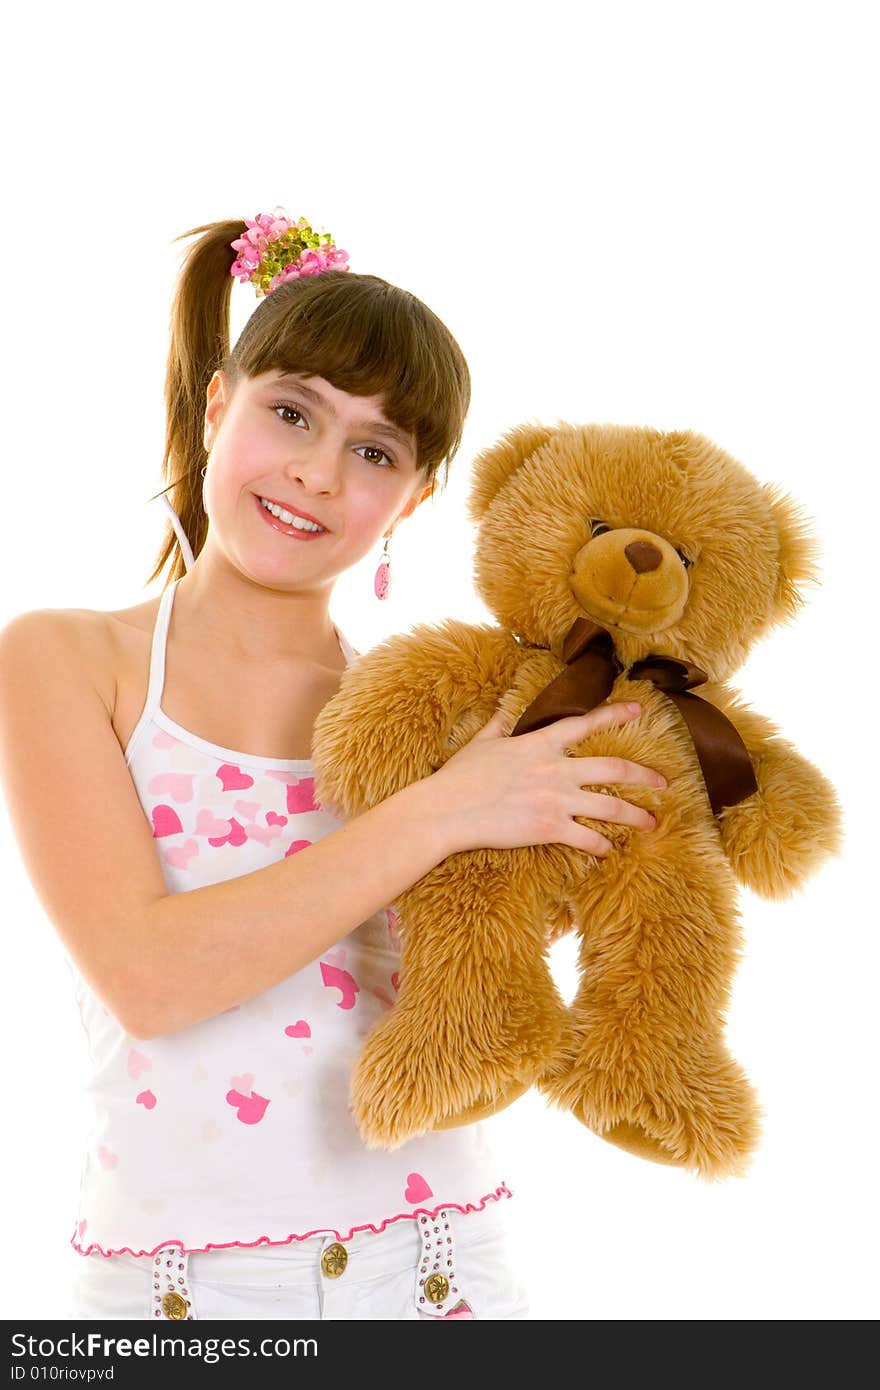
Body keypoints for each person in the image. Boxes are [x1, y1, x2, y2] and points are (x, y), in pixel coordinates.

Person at [0, 208, 666, 1322]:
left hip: (443, 1267)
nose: (316, 472)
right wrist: (448, 813)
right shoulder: (68, 660)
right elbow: (151, 981)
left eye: (373, 451)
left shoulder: (437, 718)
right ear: (219, 404)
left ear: (410, 498)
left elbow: (486, 979)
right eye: (292, 412)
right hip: (176, 1294)